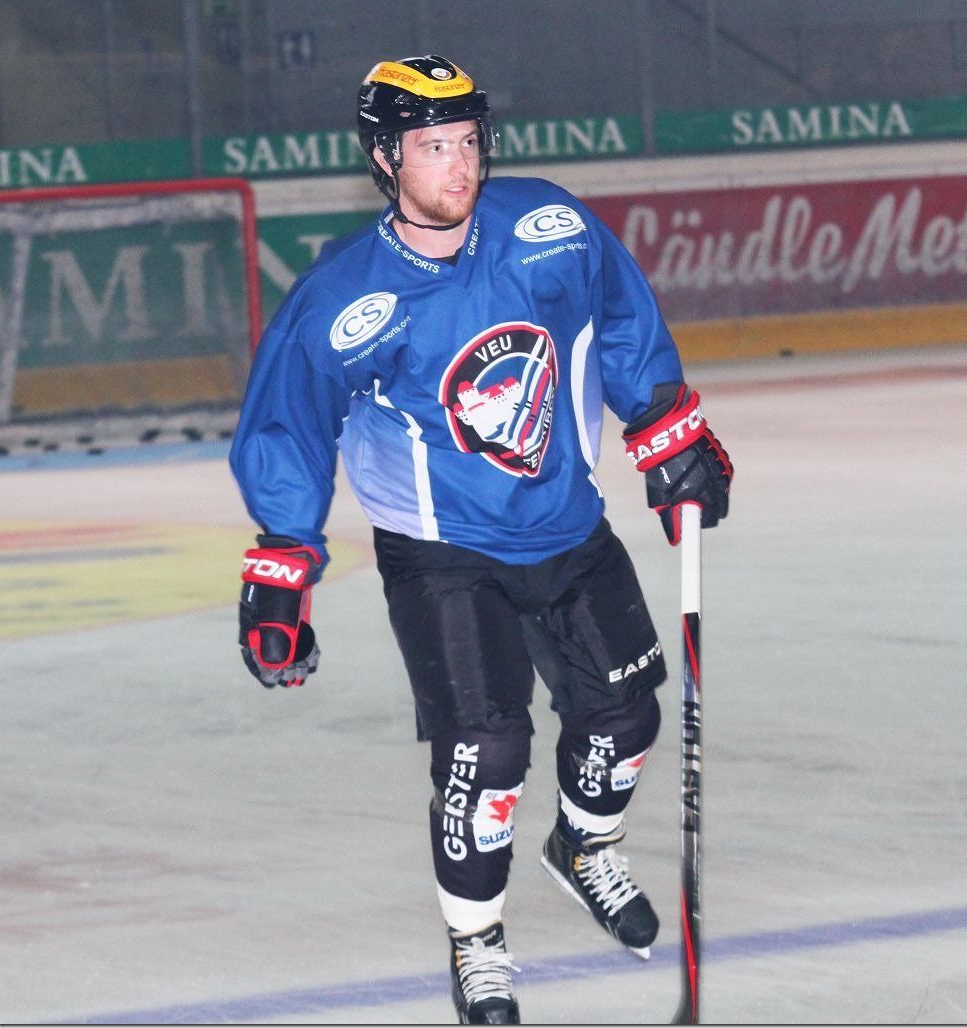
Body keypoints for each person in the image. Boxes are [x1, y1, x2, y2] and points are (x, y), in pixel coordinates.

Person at [230, 54, 732, 1025]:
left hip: (565, 520)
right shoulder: (346, 294)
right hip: (442, 550)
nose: (457, 165)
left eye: (466, 142)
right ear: (385, 159)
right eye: (431, 148)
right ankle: (478, 942)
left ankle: (583, 846)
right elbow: (289, 422)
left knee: (626, 717)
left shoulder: (548, 227)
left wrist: (666, 427)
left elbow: (622, 319)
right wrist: (282, 563)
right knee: (486, 751)